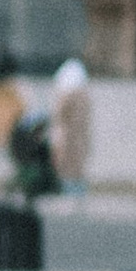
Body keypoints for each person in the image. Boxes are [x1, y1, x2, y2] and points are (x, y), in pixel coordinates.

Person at [47, 55, 91, 202]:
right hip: (78, 144)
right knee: (76, 172)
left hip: (67, 143)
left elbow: (60, 120)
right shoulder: (83, 96)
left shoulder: (66, 95)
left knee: (67, 173)